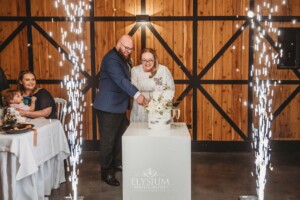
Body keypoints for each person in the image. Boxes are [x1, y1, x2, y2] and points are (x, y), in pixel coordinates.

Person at [93, 35, 148, 186]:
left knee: (119, 138)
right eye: (126, 48)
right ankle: (106, 172)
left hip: (118, 106)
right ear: (118, 44)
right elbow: (121, 80)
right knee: (108, 141)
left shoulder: (122, 58)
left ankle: (117, 163)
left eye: (131, 49)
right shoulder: (111, 59)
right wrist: (137, 94)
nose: (128, 52)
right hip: (108, 107)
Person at [130, 48, 175, 122]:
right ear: (141, 60)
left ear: (155, 59)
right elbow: (133, 90)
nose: (147, 63)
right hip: (140, 109)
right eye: (144, 60)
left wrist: (157, 102)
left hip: (159, 109)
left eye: (150, 60)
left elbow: (170, 89)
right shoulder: (135, 71)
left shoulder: (163, 70)